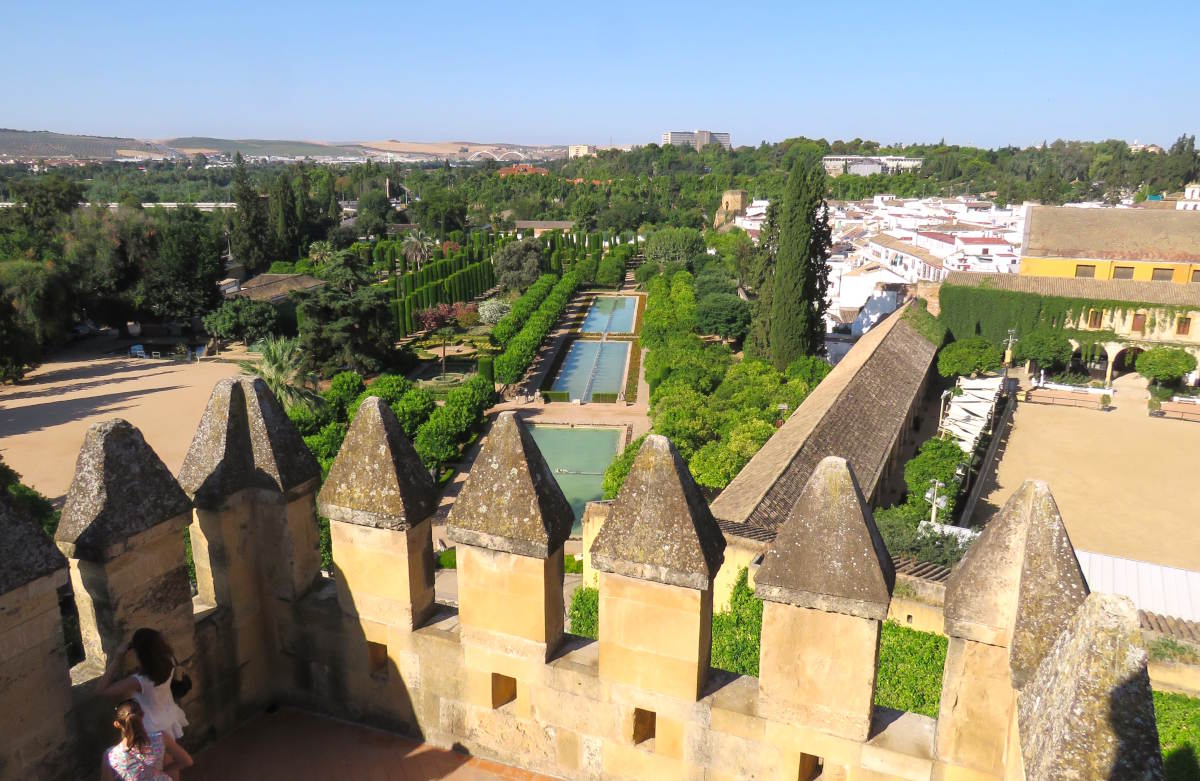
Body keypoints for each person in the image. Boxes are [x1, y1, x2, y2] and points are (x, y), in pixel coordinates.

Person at [97, 628, 189, 739]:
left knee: (163, 756)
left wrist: (117, 659)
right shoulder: (169, 660)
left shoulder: (139, 681)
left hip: (152, 726)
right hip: (168, 716)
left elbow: (100, 690)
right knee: (170, 754)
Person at [101, 699, 192, 781]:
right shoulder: (160, 738)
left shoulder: (111, 755)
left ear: (117, 724)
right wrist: (161, 771)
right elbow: (187, 761)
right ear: (142, 715)